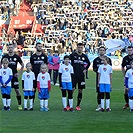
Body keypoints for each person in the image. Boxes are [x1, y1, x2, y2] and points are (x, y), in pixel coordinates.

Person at [1, 43, 24, 110]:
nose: (10, 49)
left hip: (14, 76)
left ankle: (19, 104)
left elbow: (22, 65)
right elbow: (0, 65)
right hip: (6, 77)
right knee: (6, 91)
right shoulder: (5, 56)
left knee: (17, 90)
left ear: (13, 48)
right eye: (9, 47)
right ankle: (7, 105)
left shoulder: (16, 57)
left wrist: (19, 73)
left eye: (11, 47)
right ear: (7, 48)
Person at [70, 43, 90, 110]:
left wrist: (85, 69)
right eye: (79, 47)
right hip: (74, 75)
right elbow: (67, 61)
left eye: (81, 47)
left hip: (81, 76)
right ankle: (68, 104)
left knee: (80, 90)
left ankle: (78, 105)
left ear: (83, 48)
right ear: (77, 48)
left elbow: (88, 63)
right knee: (72, 89)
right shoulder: (73, 55)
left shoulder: (84, 56)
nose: (80, 49)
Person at [93, 46, 112, 111]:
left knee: (107, 93)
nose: (102, 51)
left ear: (105, 51)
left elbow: (110, 71)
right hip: (99, 78)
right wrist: (100, 72)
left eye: (103, 50)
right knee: (99, 92)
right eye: (100, 50)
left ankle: (107, 107)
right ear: (98, 51)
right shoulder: (96, 60)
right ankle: (100, 105)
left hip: (106, 80)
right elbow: (94, 68)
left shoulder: (109, 60)